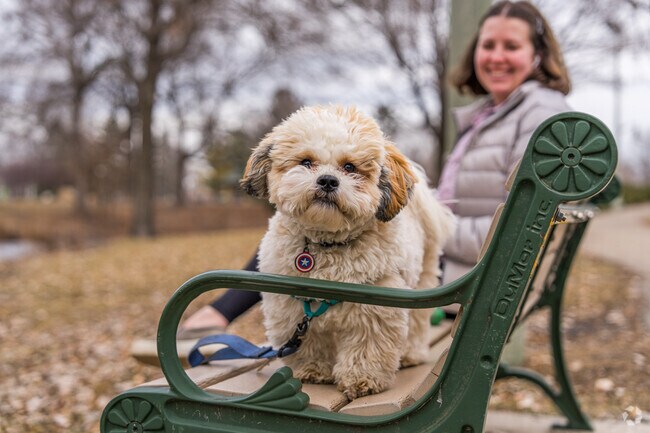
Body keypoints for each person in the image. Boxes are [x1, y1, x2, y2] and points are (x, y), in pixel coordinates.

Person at [178, 0, 571, 337]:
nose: (496, 56)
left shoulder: (540, 110)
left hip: (457, 283)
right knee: (302, 223)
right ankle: (225, 311)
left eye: (511, 46)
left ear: (537, 54)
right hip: (451, 269)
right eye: (488, 45)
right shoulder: (491, 114)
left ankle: (223, 310)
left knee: (320, 225)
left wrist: (428, 228)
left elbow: (525, 224)